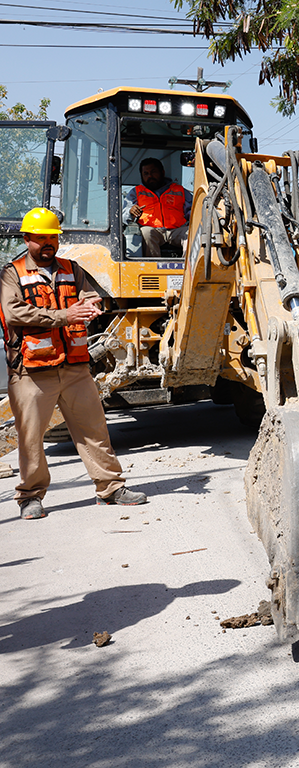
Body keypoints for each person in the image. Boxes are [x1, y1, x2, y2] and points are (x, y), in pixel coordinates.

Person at [2, 207, 147, 519]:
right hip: (32, 371)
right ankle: (30, 497)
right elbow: (14, 313)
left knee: (94, 431)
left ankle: (110, 488)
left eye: (53, 237)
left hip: (75, 367)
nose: (48, 243)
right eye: (41, 238)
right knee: (30, 439)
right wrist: (65, 315)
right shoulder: (11, 274)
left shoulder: (73, 268)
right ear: (27, 239)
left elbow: (89, 296)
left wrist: (92, 306)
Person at [124, 157, 192, 255]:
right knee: (146, 232)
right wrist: (130, 211)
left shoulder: (179, 190)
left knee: (191, 232)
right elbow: (123, 215)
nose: (150, 176)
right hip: (153, 230)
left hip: (177, 230)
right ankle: (154, 264)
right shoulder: (136, 192)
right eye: (146, 173)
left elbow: (193, 211)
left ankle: (188, 263)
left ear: (162, 172)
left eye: (153, 172)